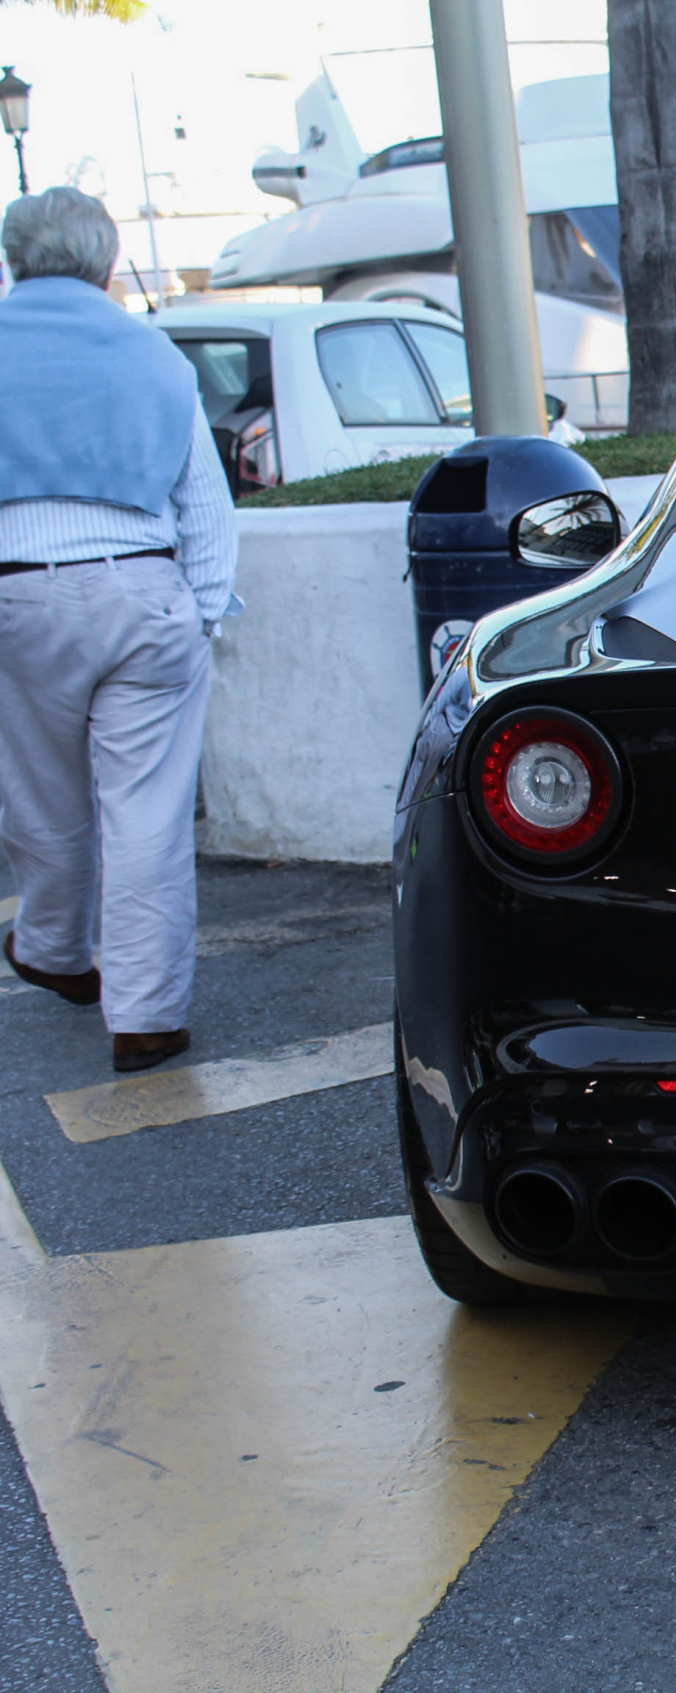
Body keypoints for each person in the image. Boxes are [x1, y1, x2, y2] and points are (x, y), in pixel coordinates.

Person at [0, 188, 237, 1071]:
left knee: (42, 802)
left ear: (17, 257)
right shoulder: (156, 357)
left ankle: (54, 950)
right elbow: (206, 511)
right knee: (147, 816)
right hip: (144, 593)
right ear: (105, 263)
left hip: (15, 596)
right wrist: (202, 615)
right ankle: (146, 1016)